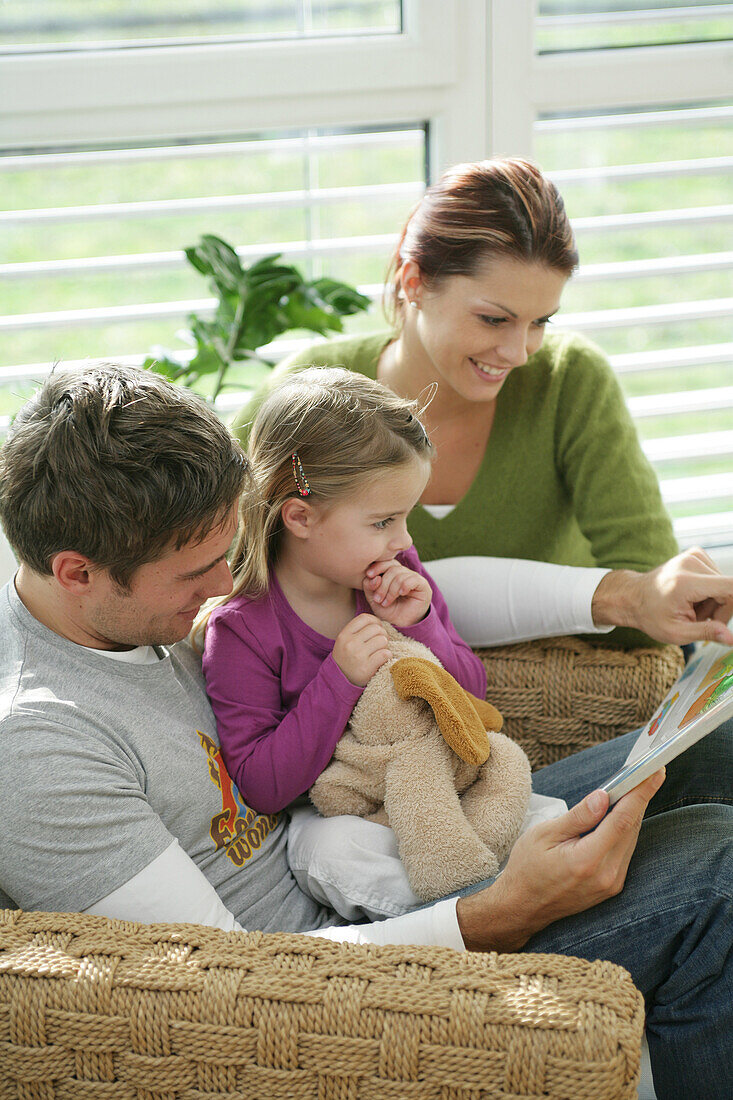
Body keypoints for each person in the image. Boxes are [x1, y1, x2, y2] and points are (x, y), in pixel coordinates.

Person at [0, 364, 731, 1099]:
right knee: (715, 871)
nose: (223, 585)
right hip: (343, 969)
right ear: (76, 572)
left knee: (715, 746)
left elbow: (422, 583)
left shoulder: (125, 606)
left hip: (382, 832)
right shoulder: (45, 749)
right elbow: (226, 988)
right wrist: (506, 910)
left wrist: (628, 595)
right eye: (197, 572)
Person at [232, 156, 679, 647]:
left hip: (566, 701)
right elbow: (219, 588)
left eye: (540, 322)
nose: (518, 353)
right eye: (493, 319)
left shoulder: (569, 379)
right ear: (414, 281)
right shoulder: (306, 397)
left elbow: (652, 611)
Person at [201, 367, 561, 920]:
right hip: (350, 813)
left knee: (530, 802)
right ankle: (481, 917)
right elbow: (263, 786)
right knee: (329, 853)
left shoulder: (395, 573)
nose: (405, 539)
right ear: (300, 516)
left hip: (440, 786)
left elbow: (471, 702)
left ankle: (523, 889)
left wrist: (421, 626)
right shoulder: (244, 630)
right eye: (384, 521)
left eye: (406, 517)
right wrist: (339, 680)